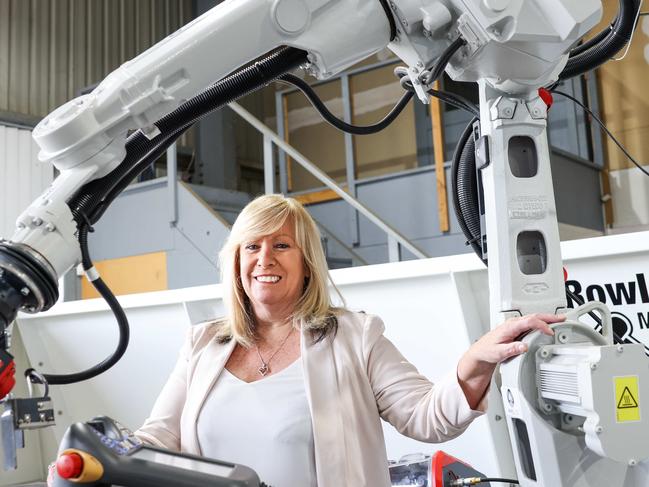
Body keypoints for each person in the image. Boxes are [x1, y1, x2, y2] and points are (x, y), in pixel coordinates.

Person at [134, 194, 563, 487]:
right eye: (251, 247)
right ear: (236, 263)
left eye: (281, 245)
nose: (264, 258)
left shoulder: (355, 337)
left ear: (306, 264)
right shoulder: (202, 343)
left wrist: (475, 361)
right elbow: (159, 437)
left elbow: (427, 416)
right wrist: (100, 456)